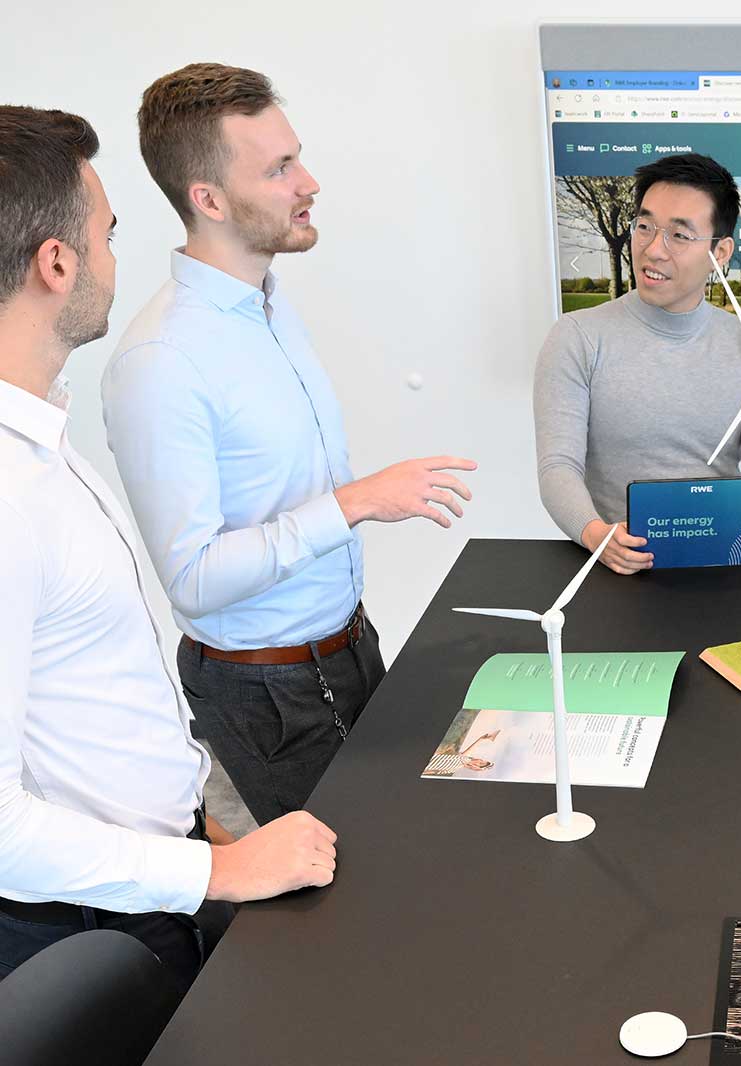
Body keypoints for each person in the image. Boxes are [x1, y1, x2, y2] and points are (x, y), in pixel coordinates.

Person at [0, 105, 339, 991]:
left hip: (159, 864)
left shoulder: (42, 443)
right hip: (82, 926)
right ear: (57, 263)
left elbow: (100, 696)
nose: (118, 258)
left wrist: (204, 831)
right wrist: (219, 873)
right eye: (108, 234)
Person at [101, 64, 476, 826]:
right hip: (268, 691)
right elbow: (195, 581)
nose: (309, 181)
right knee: (343, 905)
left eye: (296, 156)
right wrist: (355, 502)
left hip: (346, 644)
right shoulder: (159, 363)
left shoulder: (270, 307)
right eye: (279, 169)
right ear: (206, 199)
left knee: (399, 850)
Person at [535, 153, 741, 576]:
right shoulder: (576, 336)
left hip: (725, 565)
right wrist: (596, 534)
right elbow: (557, 466)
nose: (654, 250)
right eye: (644, 227)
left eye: (679, 234)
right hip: (612, 568)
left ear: (721, 251)